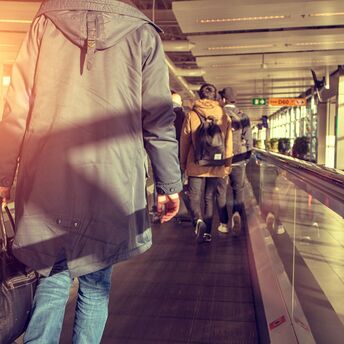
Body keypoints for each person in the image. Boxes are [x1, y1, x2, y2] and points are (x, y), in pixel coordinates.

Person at [0, 1, 182, 343]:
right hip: (112, 178)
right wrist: (168, 184)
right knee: (96, 281)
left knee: (52, 278)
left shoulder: (45, 23)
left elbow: (17, 107)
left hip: (47, 174)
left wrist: (4, 174)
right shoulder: (142, 31)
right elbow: (158, 117)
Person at [180, 83, 233, 243]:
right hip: (216, 164)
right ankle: (207, 233)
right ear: (216, 96)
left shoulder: (192, 114)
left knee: (193, 196)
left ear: (200, 96)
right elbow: (228, 142)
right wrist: (227, 164)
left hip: (196, 162)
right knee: (209, 197)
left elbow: (184, 141)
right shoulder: (223, 115)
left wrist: (183, 163)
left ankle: (198, 220)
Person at [218, 87, 253, 235]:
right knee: (238, 189)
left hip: (221, 160)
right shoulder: (243, 115)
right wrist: (247, 157)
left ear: (224, 99)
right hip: (239, 158)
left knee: (220, 192)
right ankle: (237, 214)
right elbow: (249, 139)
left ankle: (224, 224)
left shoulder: (219, 114)